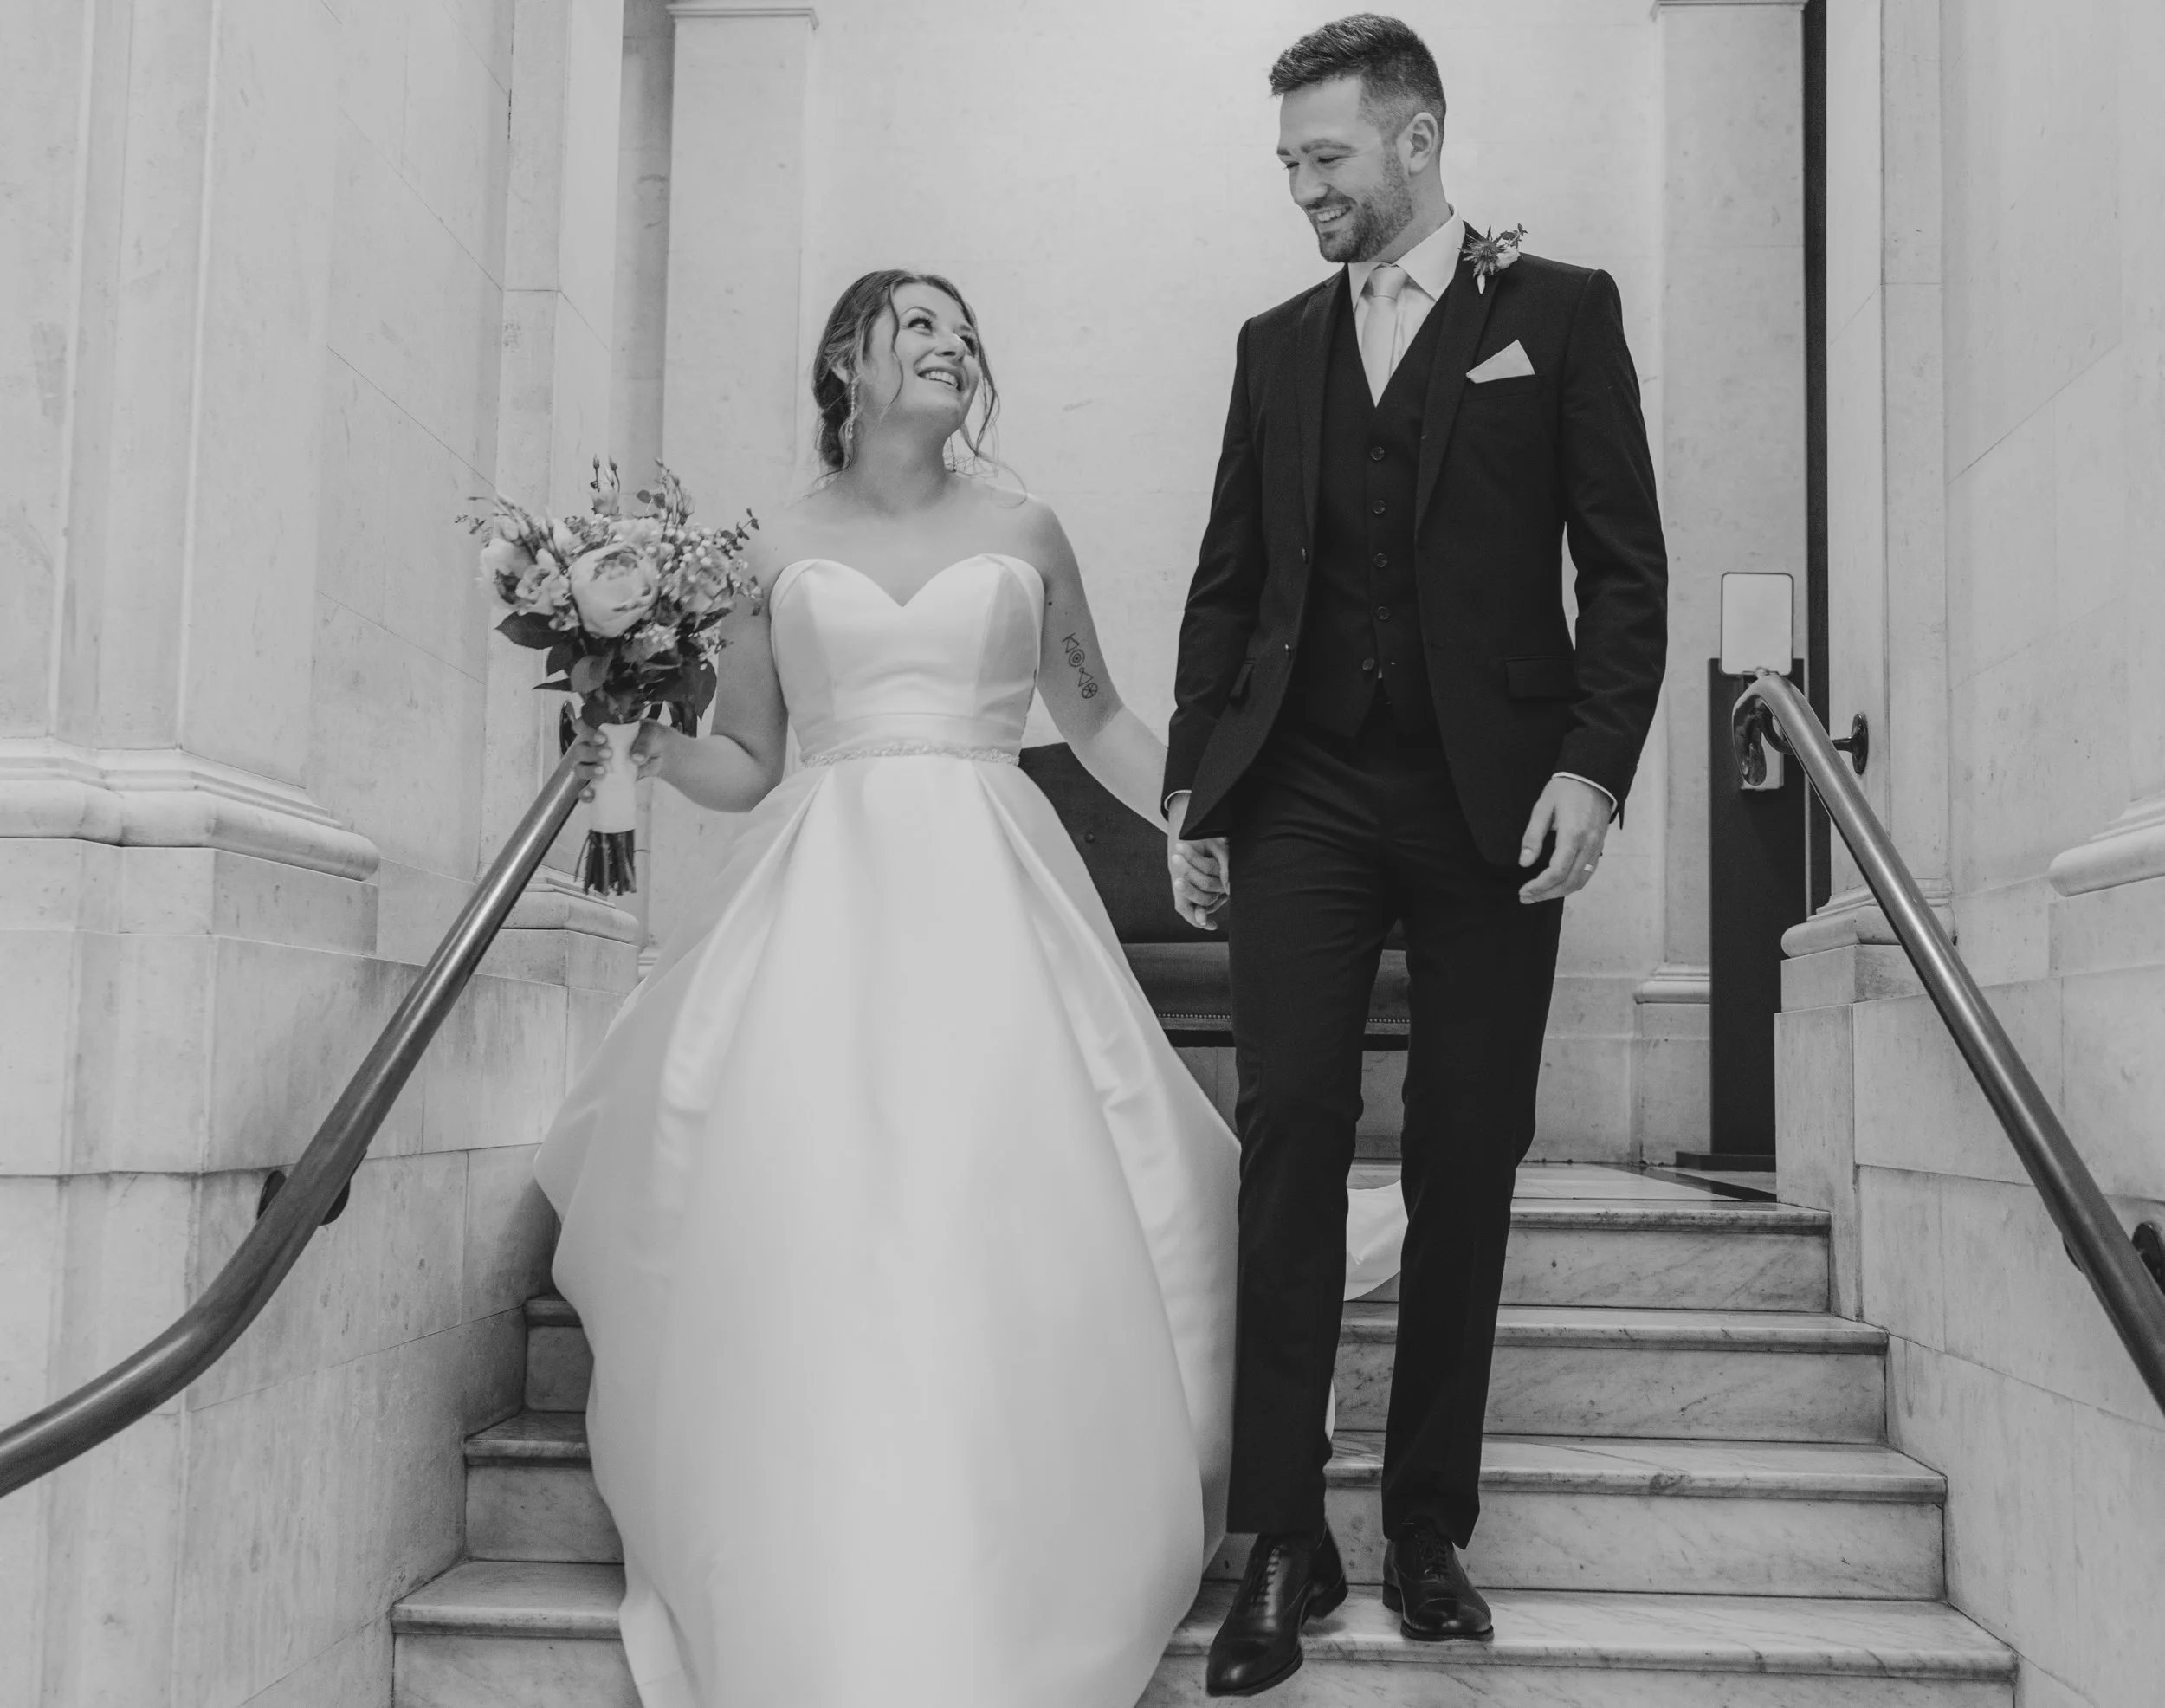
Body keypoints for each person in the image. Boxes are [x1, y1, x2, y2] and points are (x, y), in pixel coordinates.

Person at [535, 269, 1406, 1707]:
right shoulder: (770, 549)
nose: (950, 346)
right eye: (917, 325)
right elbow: (750, 764)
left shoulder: (1027, 531)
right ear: (846, 362)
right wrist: (626, 723)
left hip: (999, 875)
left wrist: (1201, 818)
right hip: (823, 886)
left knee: (997, 1177)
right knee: (821, 1196)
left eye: (963, 331)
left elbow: (1102, 715)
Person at [1163, 16, 1669, 1696]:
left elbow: (1623, 565)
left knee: (1467, 1140)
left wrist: (1591, 769)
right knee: (1291, 1124)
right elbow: (1224, 583)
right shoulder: (1270, 343)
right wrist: (1193, 789)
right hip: (1301, 785)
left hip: (1487, 794)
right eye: (1287, 162)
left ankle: (1424, 1520)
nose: (1300, 186)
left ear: (1416, 138)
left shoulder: (1557, 314)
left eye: (1324, 156)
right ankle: (1280, 1540)